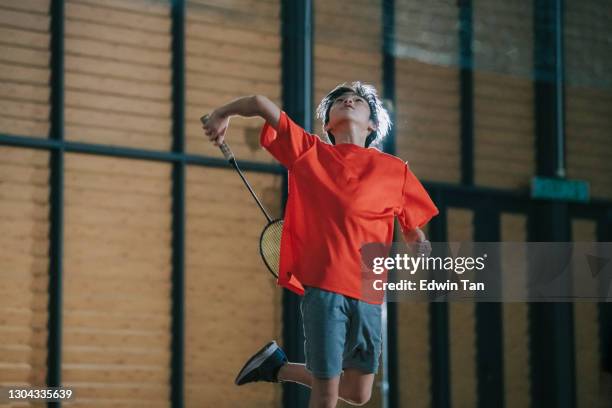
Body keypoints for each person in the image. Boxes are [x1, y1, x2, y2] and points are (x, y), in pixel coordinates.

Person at [201, 82, 439, 407]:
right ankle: (279, 367)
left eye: (357, 100)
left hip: (370, 293)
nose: (349, 101)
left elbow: (411, 226)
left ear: (372, 125)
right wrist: (221, 114)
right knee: (326, 395)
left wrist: (418, 240)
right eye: (340, 100)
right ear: (328, 123)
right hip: (326, 290)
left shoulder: (395, 171)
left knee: (358, 392)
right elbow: (259, 103)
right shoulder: (309, 151)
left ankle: (277, 367)